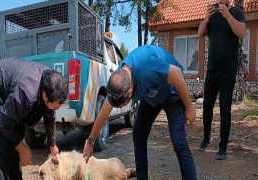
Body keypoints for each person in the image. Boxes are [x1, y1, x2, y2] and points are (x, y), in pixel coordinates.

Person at [83, 45, 197, 180]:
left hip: (172, 92)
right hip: (151, 96)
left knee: (179, 142)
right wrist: (90, 141)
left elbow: (177, 74)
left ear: (130, 91)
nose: (120, 108)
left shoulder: (147, 68)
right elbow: (104, 112)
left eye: (122, 105)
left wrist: (189, 107)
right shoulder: (118, 81)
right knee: (138, 135)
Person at [0, 57, 68, 180]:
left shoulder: (50, 82)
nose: (58, 108)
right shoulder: (27, 92)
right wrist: (21, 148)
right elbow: (4, 122)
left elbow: (49, 115)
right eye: (57, 105)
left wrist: (52, 144)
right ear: (45, 95)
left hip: (12, 92)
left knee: (16, 139)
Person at [198, 0, 246, 160]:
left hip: (228, 71)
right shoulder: (212, 15)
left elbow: (241, 33)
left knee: (225, 110)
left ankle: (222, 146)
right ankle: (206, 137)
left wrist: (227, 15)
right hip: (211, 70)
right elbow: (200, 33)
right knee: (207, 107)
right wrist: (206, 18)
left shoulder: (237, 13)